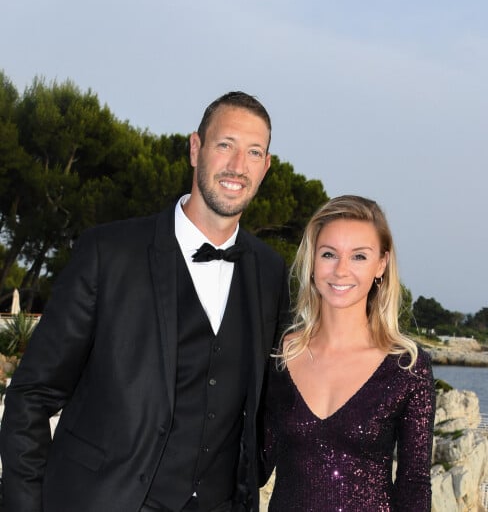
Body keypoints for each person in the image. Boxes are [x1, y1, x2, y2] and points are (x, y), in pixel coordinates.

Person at [0, 91, 290, 512]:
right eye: (225, 145)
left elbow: (267, 402)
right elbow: (31, 396)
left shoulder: (270, 271)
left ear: (265, 167)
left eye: (253, 152)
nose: (237, 166)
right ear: (196, 149)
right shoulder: (108, 253)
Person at [259, 195, 435, 511]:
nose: (341, 270)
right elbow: (256, 464)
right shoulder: (280, 355)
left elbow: (414, 486)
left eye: (358, 257)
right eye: (329, 254)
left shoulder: (407, 368)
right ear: (312, 261)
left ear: (381, 264)